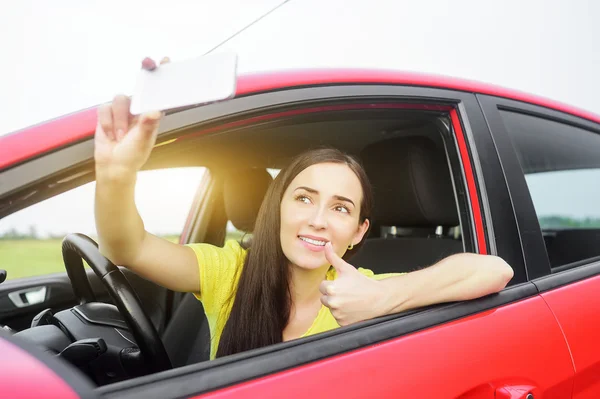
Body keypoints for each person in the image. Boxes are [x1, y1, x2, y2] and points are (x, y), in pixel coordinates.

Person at [94, 60, 514, 361]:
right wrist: (116, 176)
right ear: (278, 207)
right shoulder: (230, 272)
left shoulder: (361, 290)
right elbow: (127, 247)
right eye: (304, 198)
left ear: (359, 232)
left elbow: (494, 270)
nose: (317, 219)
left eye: (341, 208)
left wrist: (386, 296)